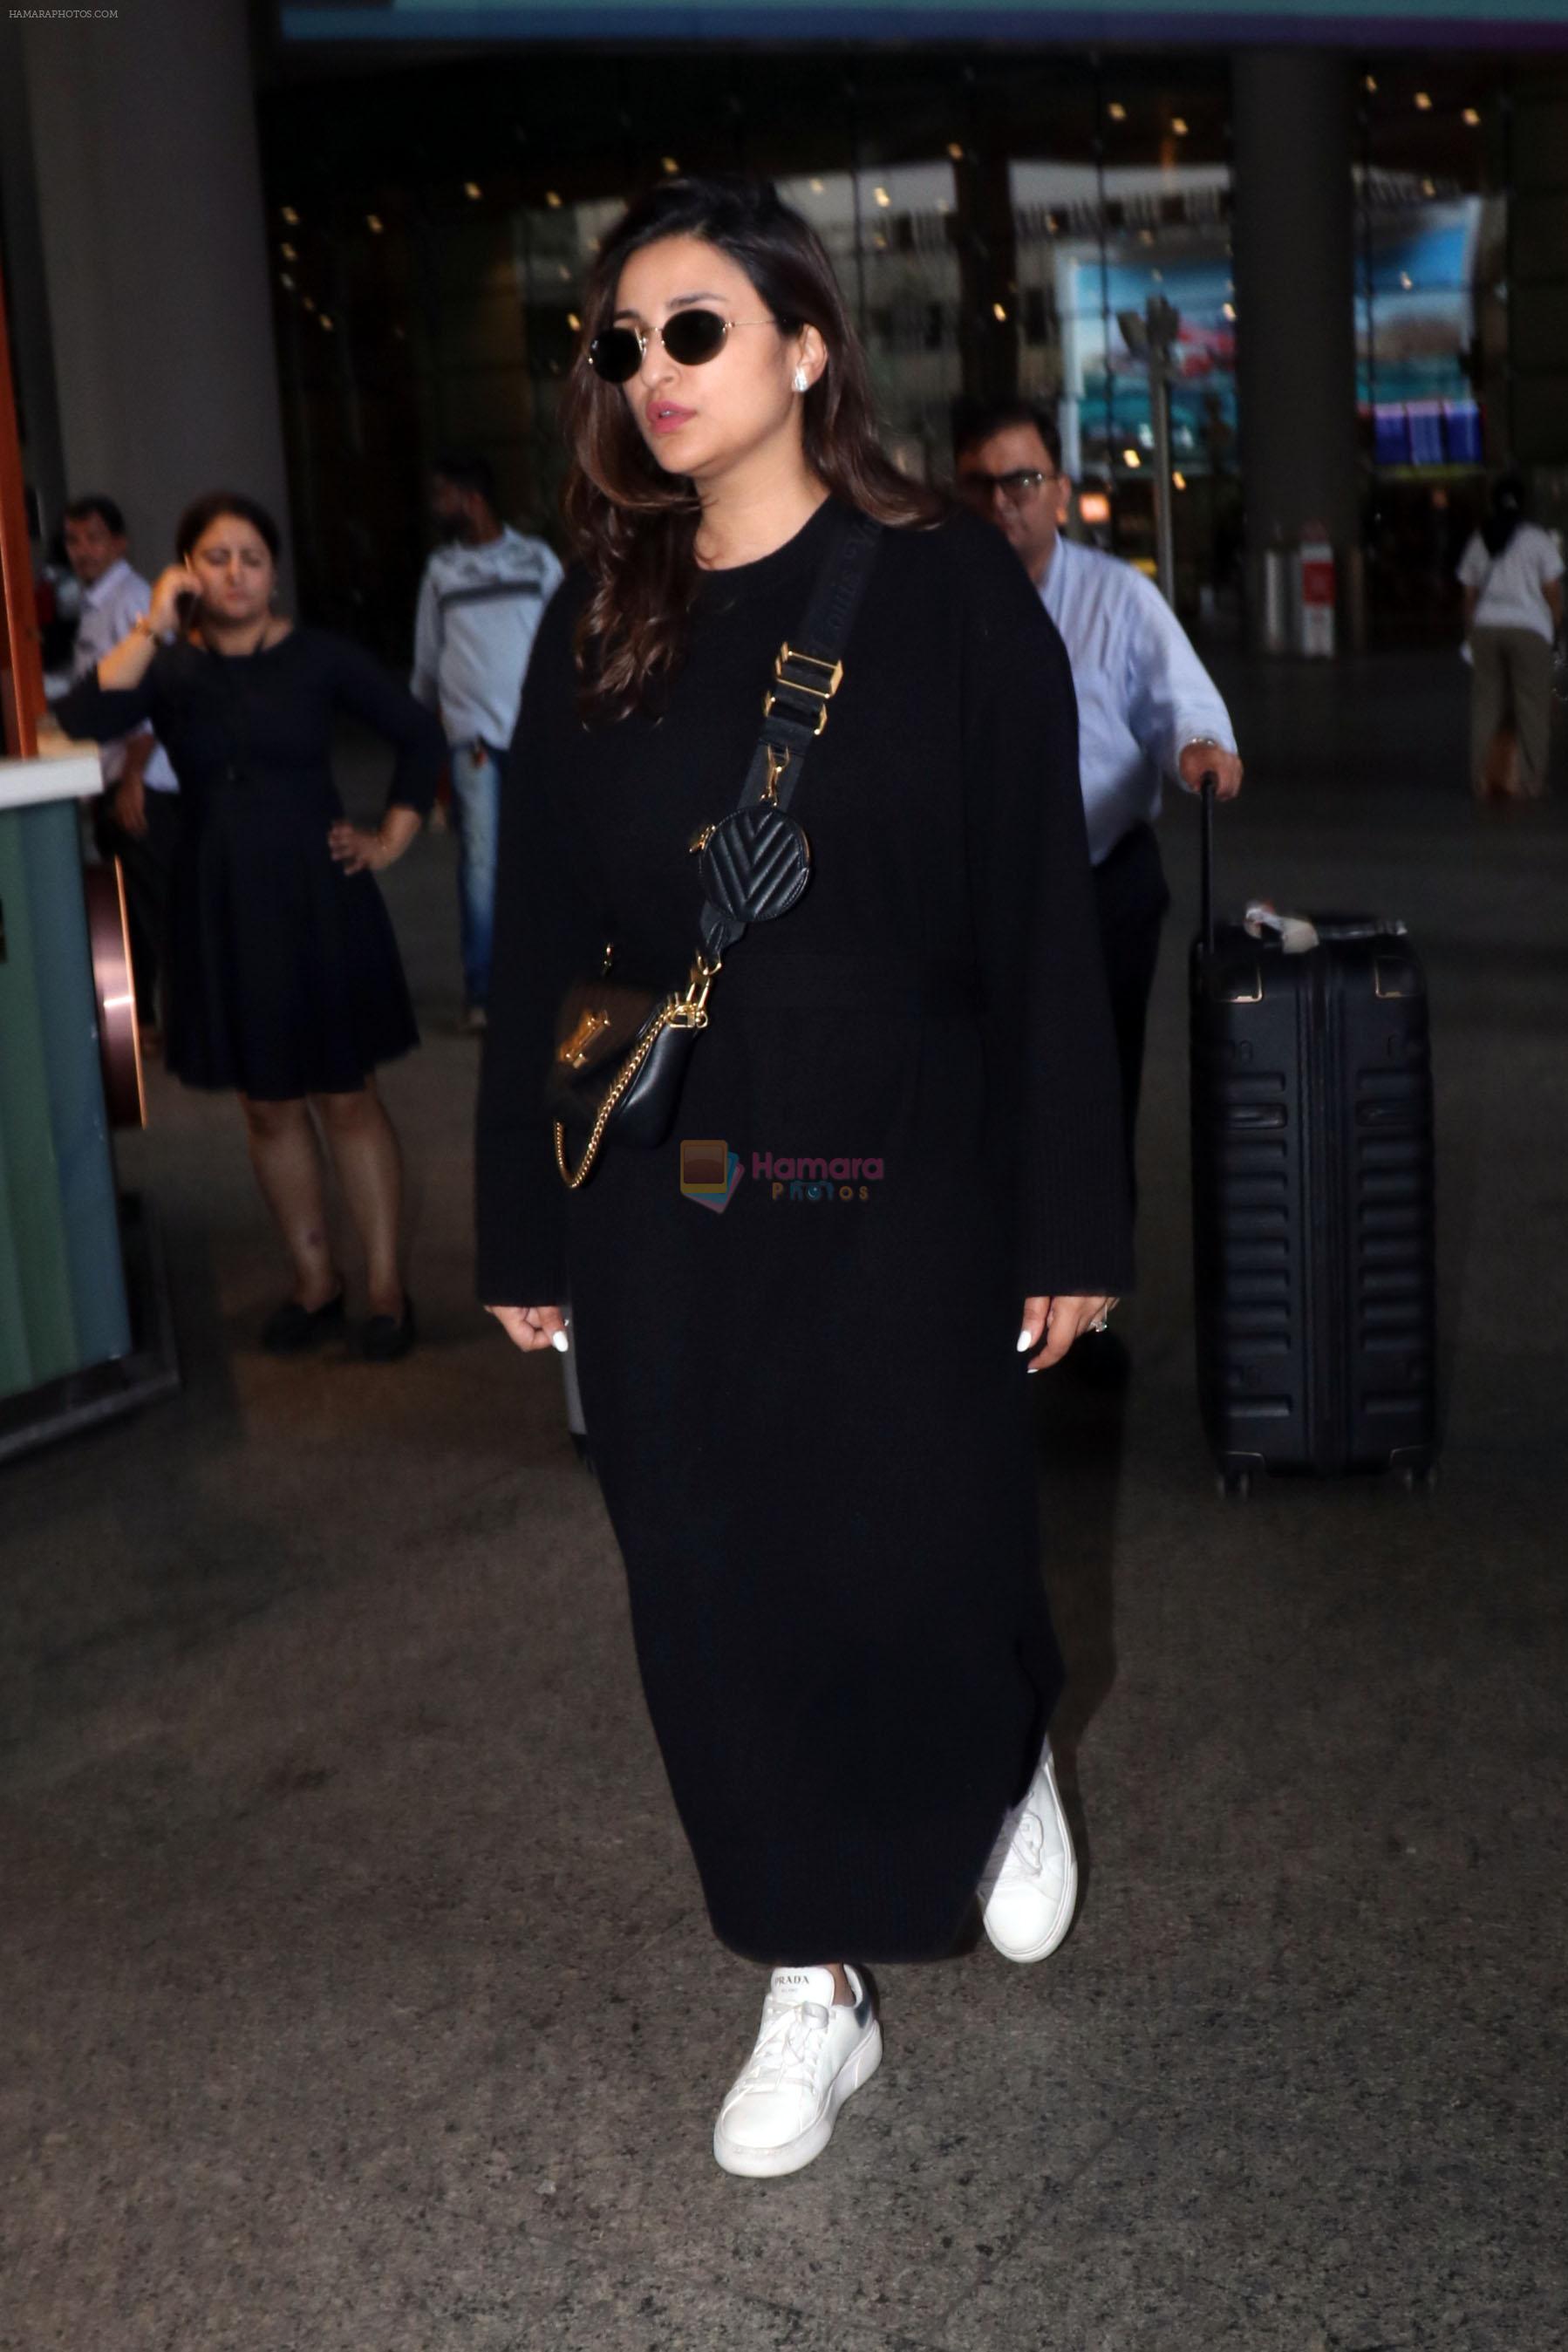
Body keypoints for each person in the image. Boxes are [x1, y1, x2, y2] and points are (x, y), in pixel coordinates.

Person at [475, 174, 1133, 2180]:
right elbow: (540, 946)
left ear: (804, 345)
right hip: (665, 1182)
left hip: (895, 1169)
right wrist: (522, 1217)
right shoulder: (599, 613)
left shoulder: (940, 592)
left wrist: (1066, 1223)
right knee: (703, 1583)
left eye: (692, 329)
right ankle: (808, 1975)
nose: (648, 371)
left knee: (910, 1545)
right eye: (618, 342)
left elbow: (1039, 919)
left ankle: (996, 1737)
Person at [51, 492, 444, 1362]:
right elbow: (80, 718)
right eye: (215, 558)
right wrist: (155, 623)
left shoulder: (319, 658)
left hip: (320, 893)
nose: (235, 573)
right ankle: (314, 1282)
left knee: (347, 1095)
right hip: (221, 899)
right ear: (187, 571)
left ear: (274, 572)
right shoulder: (171, 667)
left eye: (251, 558)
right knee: (266, 1106)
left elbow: (420, 736)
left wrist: (390, 837)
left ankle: (383, 1287)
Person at [952, 402, 1244, 1188]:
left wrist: (1199, 746)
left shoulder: (1116, 597)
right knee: (980, 1090)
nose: (1001, 499)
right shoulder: (937, 599)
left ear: (1059, 492)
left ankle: (1092, 1290)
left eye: (1021, 479)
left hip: (1097, 881)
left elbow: (1176, 695)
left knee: (1095, 1086)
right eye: (980, 484)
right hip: (976, 893)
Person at [410, 455, 564, 1031]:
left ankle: (547, 978)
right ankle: (484, 991)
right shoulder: (441, 572)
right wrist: (426, 745)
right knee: (481, 863)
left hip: (536, 736)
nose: (436, 507)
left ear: (471, 497)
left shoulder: (535, 559)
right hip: (472, 739)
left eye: (442, 494)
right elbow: (427, 663)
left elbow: (565, 642)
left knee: (544, 860)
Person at [56, 494, 182, 1044]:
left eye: (94, 538)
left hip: (145, 780)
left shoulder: (135, 601)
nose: (83, 550)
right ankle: (148, 1022)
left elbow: (157, 699)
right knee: (131, 914)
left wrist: (132, 777)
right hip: (111, 776)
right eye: (74, 540)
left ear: (120, 543)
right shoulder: (96, 603)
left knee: (161, 910)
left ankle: (186, 1025)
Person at [1458, 474, 1564, 801]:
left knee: (1485, 705)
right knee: (1531, 707)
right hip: (1529, 629)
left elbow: (1469, 595)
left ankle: (1480, 780)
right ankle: (1530, 781)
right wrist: (1555, 630)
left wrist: (1471, 632)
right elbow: (1552, 592)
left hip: (1487, 628)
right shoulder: (1537, 539)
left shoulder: (1480, 538)